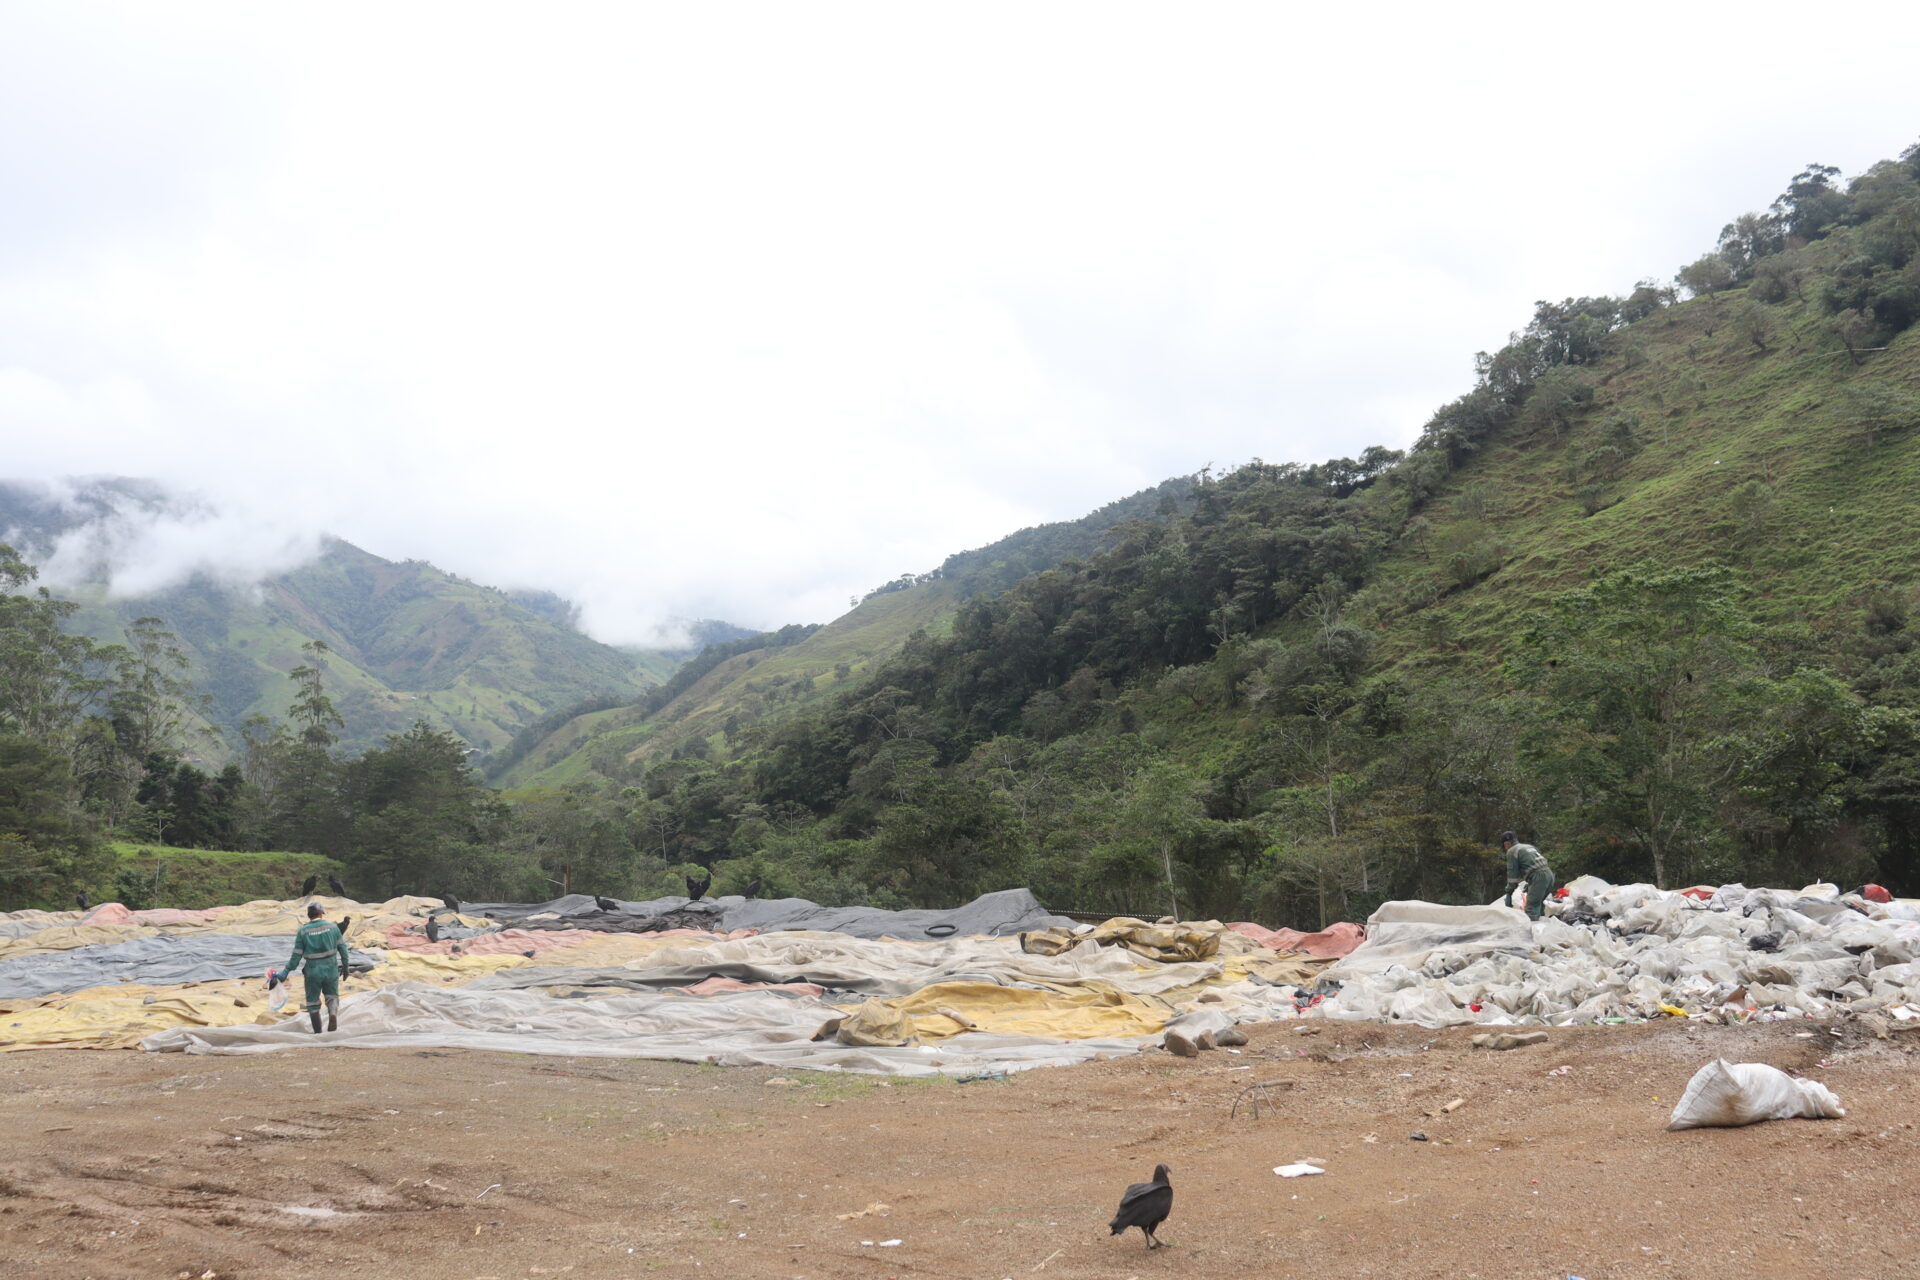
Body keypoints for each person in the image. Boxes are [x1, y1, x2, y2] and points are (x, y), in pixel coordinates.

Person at [272, 902, 351, 1033]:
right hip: (331, 968)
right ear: (321, 914)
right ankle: (332, 1013)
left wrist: (286, 972)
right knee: (332, 996)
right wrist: (346, 966)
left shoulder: (303, 931)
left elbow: (296, 955)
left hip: (312, 971)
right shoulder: (333, 927)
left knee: (313, 1002)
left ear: (309, 915)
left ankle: (318, 1033)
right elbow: (343, 948)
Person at [1500, 830, 1554, 921]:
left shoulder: (1512, 851)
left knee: (1531, 909)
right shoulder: (1529, 846)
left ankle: (1531, 932)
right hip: (1549, 875)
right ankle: (1542, 928)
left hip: (1539, 877)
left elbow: (1512, 874)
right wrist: (1531, 883)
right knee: (1538, 904)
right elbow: (1535, 864)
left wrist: (1509, 892)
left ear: (1506, 844)